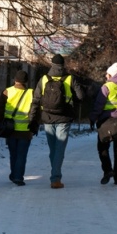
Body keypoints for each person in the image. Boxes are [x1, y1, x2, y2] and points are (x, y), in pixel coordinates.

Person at [29, 54, 84, 189]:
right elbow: (81, 96)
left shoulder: (43, 79)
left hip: (47, 118)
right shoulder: (70, 78)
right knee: (59, 149)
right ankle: (55, 178)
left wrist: (32, 118)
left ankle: (55, 174)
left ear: (52, 64)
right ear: (63, 65)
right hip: (64, 118)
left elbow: (35, 100)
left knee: (53, 148)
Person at [89, 62, 117, 185]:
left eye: (107, 74)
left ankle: (108, 170)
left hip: (107, 122)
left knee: (103, 147)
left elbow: (99, 105)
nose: (106, 76)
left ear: (111, 75)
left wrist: (93, 118)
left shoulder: (107, 87)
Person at [0, 70, 36, 186]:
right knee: (21, 155)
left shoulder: (7, 92)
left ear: (15, 80)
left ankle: (14, 174)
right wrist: (34, 125)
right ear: (27, 81)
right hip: (25, 130)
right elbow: (36, 111)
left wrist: (0, 123)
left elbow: (0, 109)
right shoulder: (31, 93)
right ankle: (18, 177)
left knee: (13, 154)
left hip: (10, 129)